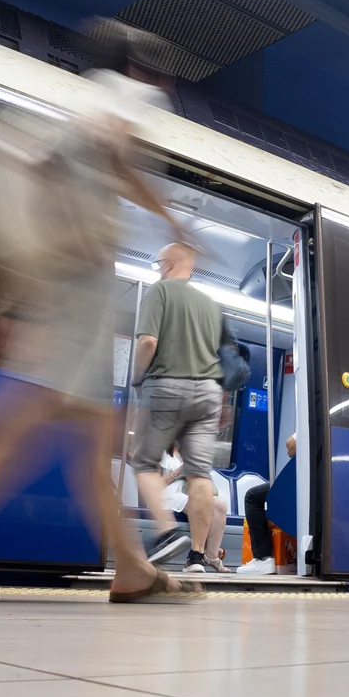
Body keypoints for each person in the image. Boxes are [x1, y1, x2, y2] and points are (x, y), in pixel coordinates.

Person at [0, 22, 200, 602]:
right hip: (77, 275)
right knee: (27, 403)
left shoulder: (93, 92)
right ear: (142, 66)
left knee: (84, 429)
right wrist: (86, 228)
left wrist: (166, 216)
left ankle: (131, 566)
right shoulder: (127, 92)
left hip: (73, 275)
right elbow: (96, 151)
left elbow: (101, 163)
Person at [129, 241, 228, 572]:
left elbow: (148, 342)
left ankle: (166, 533)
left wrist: (138, 377)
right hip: (208, 394)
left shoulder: (160, 291)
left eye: (158, 263)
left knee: (142, 462)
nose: (157, 268)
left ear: (169, 263)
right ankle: (197, 557)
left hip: (168, 385)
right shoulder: (209, 304)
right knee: (200, 473)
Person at [237, 432, 297, 576]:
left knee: (253, 497)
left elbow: (291, 445)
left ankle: (263, 558)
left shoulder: (307, 420)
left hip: (303, 481)